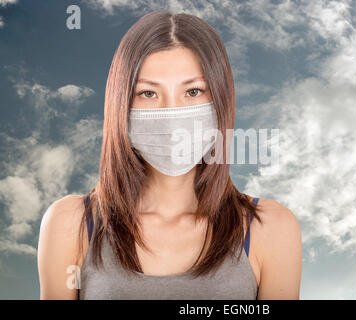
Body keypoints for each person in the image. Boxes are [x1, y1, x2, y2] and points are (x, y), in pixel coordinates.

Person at [38, 10, 302, 300]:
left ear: (221, 99)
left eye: (193, 92)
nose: (171, 114)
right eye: (148, 93)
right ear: (120, 105)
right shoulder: (70, 224)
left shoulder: (272, 227)